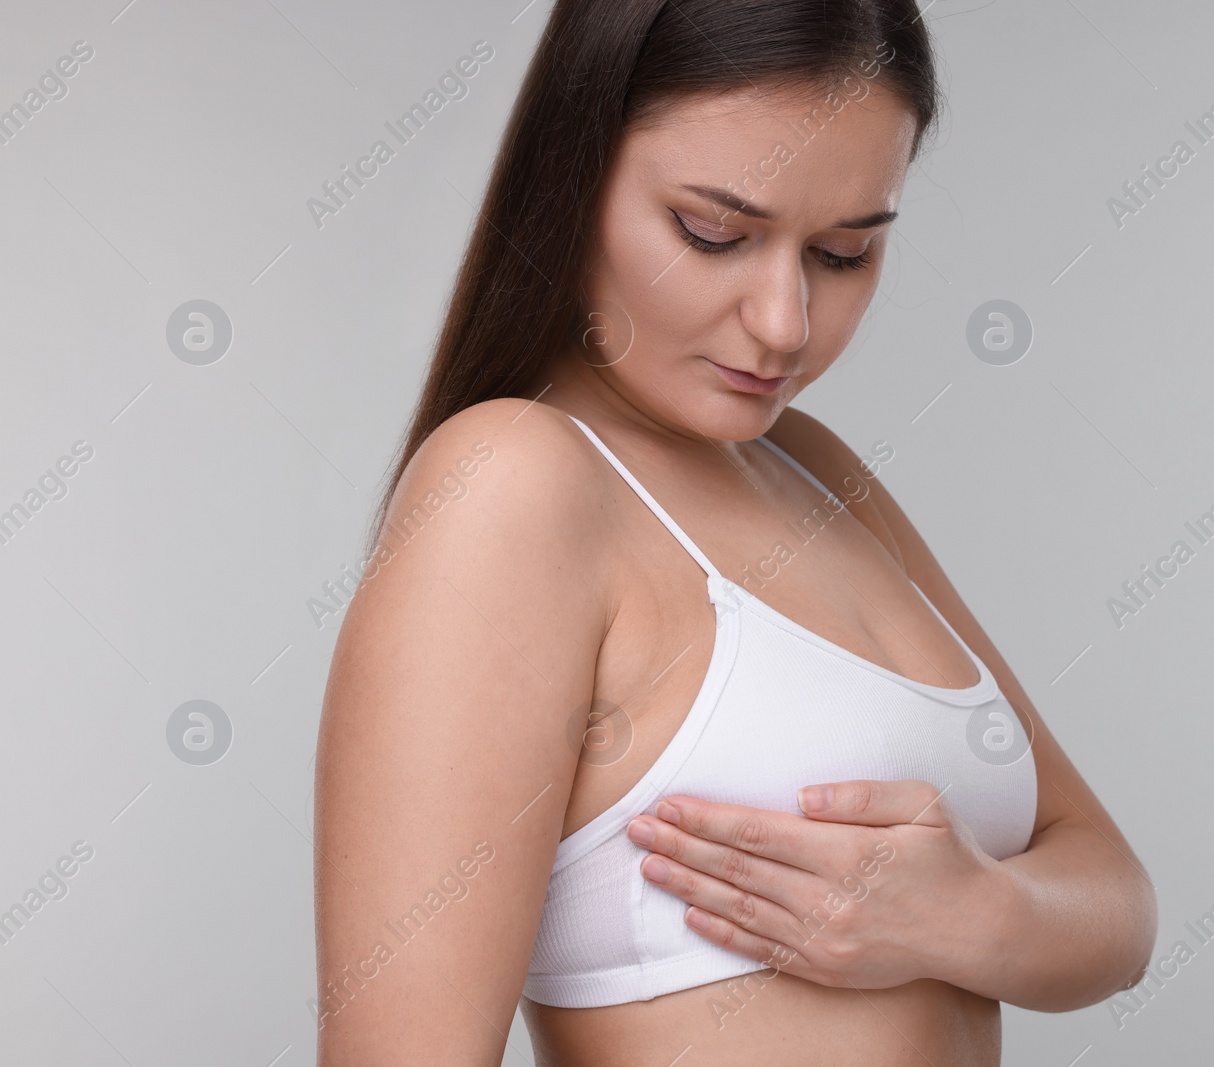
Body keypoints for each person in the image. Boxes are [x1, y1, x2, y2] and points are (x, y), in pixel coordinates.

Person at [312, 1, 1157, 1063]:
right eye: (715, 233)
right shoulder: (511, 487)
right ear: (572, 179)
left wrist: (965, 914)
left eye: (843, 253)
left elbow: (1115, 902)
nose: (784, 322)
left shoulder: (816, 468)